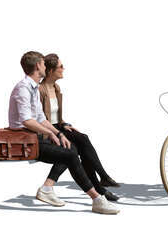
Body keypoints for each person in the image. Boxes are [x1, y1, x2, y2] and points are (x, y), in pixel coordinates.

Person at [8, 51, 120, 214]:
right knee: (70, 153)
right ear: (38, 65)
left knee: (72, 147)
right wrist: (52, 134)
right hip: (25, 141)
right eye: (44, 63)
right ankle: (97, 198)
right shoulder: (23, 88)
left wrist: (59, 134)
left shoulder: (32, 88)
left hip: (34, 137)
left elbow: (40, 118)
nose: (45, 66)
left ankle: (49, 189)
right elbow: (27, 120)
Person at [37, 53, 120, 202]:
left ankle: (101, 184)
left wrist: (64, 124)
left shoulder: (56, 88)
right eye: (60, 66)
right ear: (50, 71)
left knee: (82, 138)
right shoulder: (40, 90)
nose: (63, 68)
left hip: (58, 127)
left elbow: (56, 116)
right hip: (47, 131)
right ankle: (102, 182)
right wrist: (57, 131)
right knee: (75, 147)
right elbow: (40, 118)